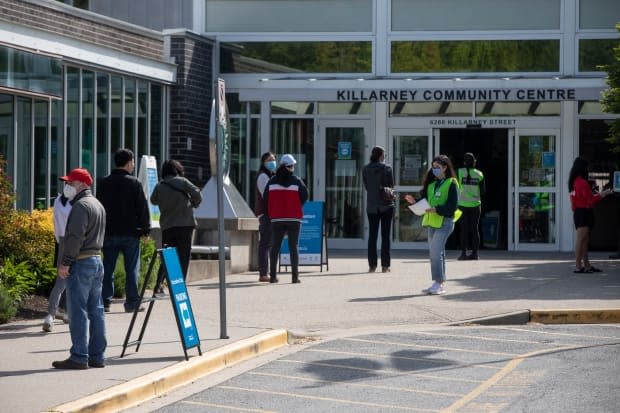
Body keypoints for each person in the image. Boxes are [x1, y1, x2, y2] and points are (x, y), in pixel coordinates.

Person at [52, 168, 107, 369]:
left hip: (82, 262)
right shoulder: (97, 204)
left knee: (78, 311)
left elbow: (75, 237)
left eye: (70, 183)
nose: (67, 187)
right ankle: (97, 356)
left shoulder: (81, 206)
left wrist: (65, 262)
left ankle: (79, 356)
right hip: (96, 260)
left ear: (82, 185)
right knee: (96, 310)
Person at [97, 148, 150, 313]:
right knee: (132, 268)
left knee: (107, 267)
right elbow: (142, 208)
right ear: (128, 162)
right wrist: (145, 229)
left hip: (109, 232)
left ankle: (105, 302)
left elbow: (99, 207)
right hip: (130, 233)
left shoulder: (103, 182)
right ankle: (132, 302)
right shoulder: (134, 183)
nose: (133, 165)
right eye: (133, 161)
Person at [405, 155, 459, 295]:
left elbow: (452, 206)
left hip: (445, 222)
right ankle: (439, 283)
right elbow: (425, 202)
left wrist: (437, 209)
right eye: (433, 167)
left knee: (436, 253)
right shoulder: (432, 185)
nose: (434, 170)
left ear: (445, 167)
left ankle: (438, 283)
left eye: (438, 167)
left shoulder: (452, 183)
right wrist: (413, 202)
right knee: (435, 253)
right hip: (432, 222)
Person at [150, 159, 202, 280]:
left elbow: (153, 200)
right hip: (185, 225)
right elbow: (198, 194)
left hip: (167, 226)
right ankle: (180, 284)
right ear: (177, 170)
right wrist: (193, 204)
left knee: (168, 256)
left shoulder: (160, 186)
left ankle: (160, 284)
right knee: (183, 256)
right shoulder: (183, 182)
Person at [263, 154, 308, 284]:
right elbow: (305, 195)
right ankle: (295, 277)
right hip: (294, 217)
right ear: (291, 167)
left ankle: (272, 276)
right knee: (294, 246)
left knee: (275, 247)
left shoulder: (272, 181)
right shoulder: (297, 180)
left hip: (276, 218)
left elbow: (266, 198)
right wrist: (296, 204)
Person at [568, 157, 612, 273]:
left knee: (584, 239)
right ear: (582, 168)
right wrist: (604, 194)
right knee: (581, 239)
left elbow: (574, 201)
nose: (588, 169)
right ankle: (578, 266)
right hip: (584, 212)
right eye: (587, 167)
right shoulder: (582, 182)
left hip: (579, 212)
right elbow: (591, 200)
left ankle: (586, 265)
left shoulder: (573, 182)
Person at [42, 192, 72, 332]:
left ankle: (58, 313)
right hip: (69, 242)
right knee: (65, 280)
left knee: (62, 281)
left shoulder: (59, 200)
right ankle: (57, 314)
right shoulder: (64, 200)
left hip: (63, 241)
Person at [362, 146, 395, 273]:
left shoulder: (365, 169)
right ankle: (385, 266)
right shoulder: (387, 168)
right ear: (381, 155)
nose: (385, 156)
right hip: (386, 205)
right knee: (385, 236)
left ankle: (372, 265)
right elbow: (390, 186)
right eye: (384, 154)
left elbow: (367, 186)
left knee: (372, 236)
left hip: (371, 206)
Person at [457, 152, 485, 260]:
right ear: (474, 162)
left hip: (462, 204)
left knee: (463, 230)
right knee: (475, 229)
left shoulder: (459, 172)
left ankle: (463, 253)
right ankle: (475, 253)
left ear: (464, 162)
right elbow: (483, 191)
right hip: (476, 204)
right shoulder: (480, 174)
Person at [254, 152, 277, 282]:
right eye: (269, 160)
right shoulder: (263, 176)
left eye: (273, 159)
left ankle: (267, 272)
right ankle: (263, 273)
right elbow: (267, 196)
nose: (272, 162)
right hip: (266, 214)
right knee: (265, 243)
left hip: (271, 214)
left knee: (269, 243)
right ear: (263, 162)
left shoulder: (271, 175)